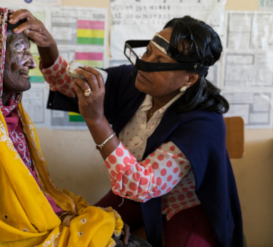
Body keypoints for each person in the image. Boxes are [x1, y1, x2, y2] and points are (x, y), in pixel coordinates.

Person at [14, 9, 244, 246]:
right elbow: (68, 82)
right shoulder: (133, 81)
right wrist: (47, 45)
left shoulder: (203, 123)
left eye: (160, 62)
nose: (143, 64)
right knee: (82, 230)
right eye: (147, 52)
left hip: (184, 203)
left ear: (188, 79)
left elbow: (142, 185)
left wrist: (97, 121)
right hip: (133, 194)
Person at [0, 7, 127, 246]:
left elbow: (29, 190)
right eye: (19, 49)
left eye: (29, 50)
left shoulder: (9, 116)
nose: (31, 62)